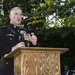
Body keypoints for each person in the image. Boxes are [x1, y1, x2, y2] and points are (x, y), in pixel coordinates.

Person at [0, 7, 37, 75]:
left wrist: (34, 42)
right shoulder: (2, 31)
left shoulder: (25, 31)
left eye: (20, 14)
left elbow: (30, 48)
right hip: (8, 69)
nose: (19, 16)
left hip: (25, 68)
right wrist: (14, 48)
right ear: (10, 16)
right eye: (16, 14)